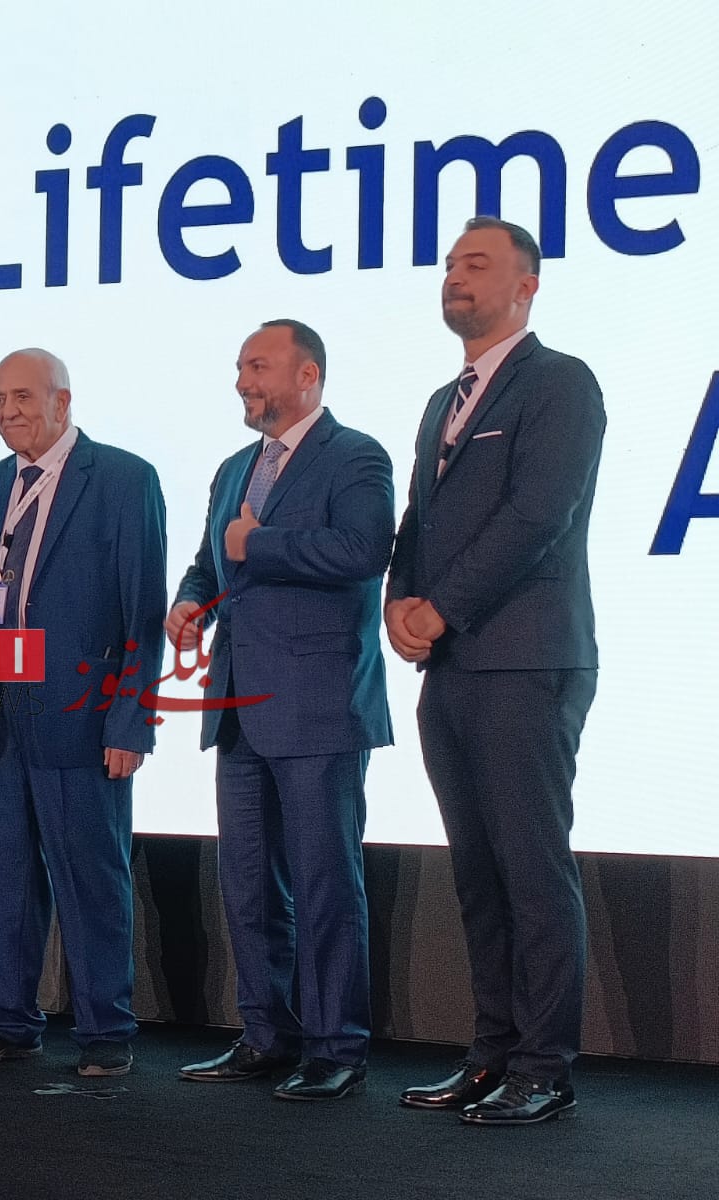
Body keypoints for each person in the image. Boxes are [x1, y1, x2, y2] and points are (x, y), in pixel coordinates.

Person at [387, 217, 605, 1126]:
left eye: (476, 264)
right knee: (478, 874)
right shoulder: (443, 400)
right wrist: (398, 601)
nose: (455, 276)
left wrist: (442, 607)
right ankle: (492, 1055)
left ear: (527, 285)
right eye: (450, 265)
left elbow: (538, 514)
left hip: (526, 658)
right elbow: (420, 519)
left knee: (531, 870)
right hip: (452, 667)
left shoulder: (560, 382)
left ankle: (544, 1068)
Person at [172, 319, 394, 1101]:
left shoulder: (355, 456)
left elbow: (365, 552)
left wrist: (257, 545)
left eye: (259, 366)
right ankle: (266, 1035)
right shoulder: (235, 468)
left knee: (325, 882)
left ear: (307, 376)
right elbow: (210, 561)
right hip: (238, 705)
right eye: (240, 367)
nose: (243, 380)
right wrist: (190, 600)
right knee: (248, 885)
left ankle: (337, 1047)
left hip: (318, 705)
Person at [0, 349, 166, 1078]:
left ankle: (105, 1032)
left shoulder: (124, 478)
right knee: (1, 882)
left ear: (62, 403)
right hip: (0, 712)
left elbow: (143, 610)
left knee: (91, 879)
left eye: (22, 397)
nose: (8, 412)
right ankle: (7, 1022)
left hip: (83, 716)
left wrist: (132, 721)